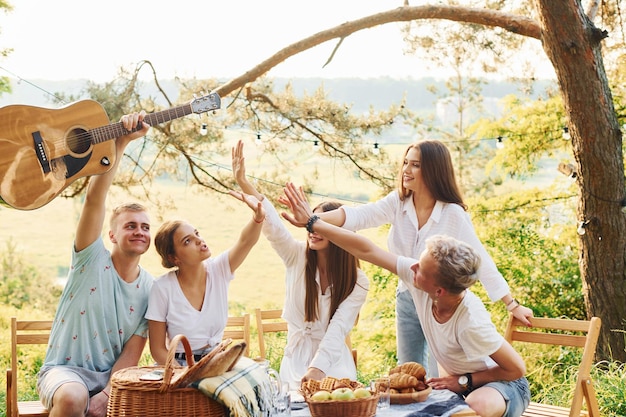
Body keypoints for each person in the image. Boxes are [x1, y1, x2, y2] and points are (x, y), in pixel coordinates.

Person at [281, 182, 531, 417]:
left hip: (502, 386)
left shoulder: (470, 320)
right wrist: (314, 222)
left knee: (474, 407)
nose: (411, 269)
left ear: (439, 291)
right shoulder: (422, 282)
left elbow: (516, 368)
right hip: (457, 385)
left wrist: (463, 381)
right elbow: (367, 250)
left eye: (420, 268)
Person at [314, 140, 533, 372]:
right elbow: (359, 216)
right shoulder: (398, 203)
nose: (406, 170)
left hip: (442, 301)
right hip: (407, 296)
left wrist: (511, 303)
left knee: (438, 371)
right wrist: (312, 220)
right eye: (406, 163)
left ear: (433, 171)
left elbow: (482, 261)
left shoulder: (452, 214)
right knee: (408, 368)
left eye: (415, 165)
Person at [37, 112, 153, 417]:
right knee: (74, 398)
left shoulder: (151, 288)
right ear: (112, 234)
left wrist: (107, 394)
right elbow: (94, 201)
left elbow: (132, 352)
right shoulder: (91, 257)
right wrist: (120, 143)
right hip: (63, 373)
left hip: (113, 379)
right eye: (130, 226)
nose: (139, 231)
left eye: (145, 226)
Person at [231, 140, 369, 390]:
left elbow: (338, 330)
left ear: (339, 232)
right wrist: (244, 182)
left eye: (318, 225)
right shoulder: (296, 255)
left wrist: (317, 370)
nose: (312, 230)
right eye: (309, 224)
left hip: (334, 365)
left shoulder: (357, 280)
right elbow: (272, 224)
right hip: (294, 362)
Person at [145, 190, 266, 365]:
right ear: (174, 257)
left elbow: (245, 242)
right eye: (187, 241)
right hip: (177, 366)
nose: (199, 241)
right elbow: (157, 351)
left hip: (217, 362)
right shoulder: (162, 287)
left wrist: (258, 217)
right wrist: (184, 375)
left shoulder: (219, 270)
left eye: (197, 234)